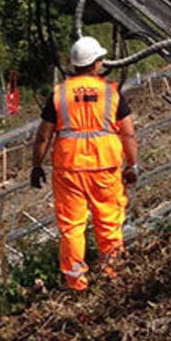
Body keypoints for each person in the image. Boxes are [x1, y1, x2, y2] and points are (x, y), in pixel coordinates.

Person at [30, 36, 139, 292]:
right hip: (105, 168)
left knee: (72, 227)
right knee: (109, 221)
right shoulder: (111, 93)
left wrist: (36, 165)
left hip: (69, 170)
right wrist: (133, 164)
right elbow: (129, 133)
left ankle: (76, 282)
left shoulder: (59, 95)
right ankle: (112, 273)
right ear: (95, 64)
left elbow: (44, 135)